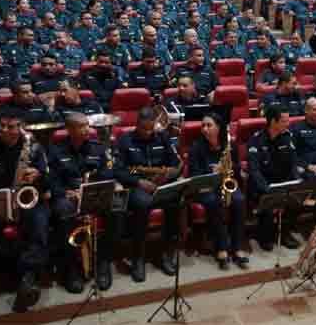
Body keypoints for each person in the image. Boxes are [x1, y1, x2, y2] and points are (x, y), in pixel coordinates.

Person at [0, 108, 49, 312]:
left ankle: (28, 277)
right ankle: (11, 270)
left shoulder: (34, 148)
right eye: (2, 126)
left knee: (39, 221)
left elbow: (48, 181)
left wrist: (38, 175)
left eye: (11, 126)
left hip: (26, 199)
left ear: (22, 128)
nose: (5, 130)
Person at [47, 113, 118, 293]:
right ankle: (71, 268)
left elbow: (108, 174)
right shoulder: (56, 151)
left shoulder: (98, 148)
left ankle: (103, 261)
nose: (87, 129)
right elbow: (51, 181)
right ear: (69, 129)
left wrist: (95, 188)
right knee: (63, 210)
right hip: (69, 197)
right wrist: (66, 192)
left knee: (117, 206)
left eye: (87, 125)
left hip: (93, 193)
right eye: (81, 126)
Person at [113, 108, 182, 282]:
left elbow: (175, 163)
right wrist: (139, 182)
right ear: (137, 125)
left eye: (151, 129)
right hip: (137, 185)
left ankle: (164, 253)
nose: (148, 132)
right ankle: (138, 257)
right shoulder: (125, 140)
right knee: (142, 204)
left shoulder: (162, 137)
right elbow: (118, 171)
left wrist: (168, 175)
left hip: (160, 183)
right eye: (145, 129)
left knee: (176, 200)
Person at [188, 113, 248, 270]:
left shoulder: (229, 144)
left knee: (239, 200)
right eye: (203, 125)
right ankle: (222, 247)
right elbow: (194, 174)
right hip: (205, 187)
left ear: (219, 128)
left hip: (225, 182)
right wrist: (211, 172)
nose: (204, 129)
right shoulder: (196, 148)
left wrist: (227, 168)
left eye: (209, 125)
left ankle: (237, 246)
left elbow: (237, 167)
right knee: (213, 202)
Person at [247, 105, 302, 251]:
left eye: (288, 120)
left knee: (297, 195)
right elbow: (254, 171)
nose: (288, 124)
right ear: (272, 122)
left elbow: (293, 164)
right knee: (268, 198)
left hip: (281, 182)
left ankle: (285, 233)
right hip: (262, 184)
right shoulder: (256, 140)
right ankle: (264, 235)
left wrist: (296, 183)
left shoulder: (287, 137)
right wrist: (267, 189)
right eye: (284, 121)